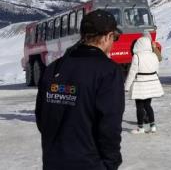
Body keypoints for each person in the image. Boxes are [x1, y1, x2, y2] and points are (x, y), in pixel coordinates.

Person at [35, 9, 125, 170]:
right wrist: (110, 164)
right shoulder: (108, 71)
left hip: (53, 161)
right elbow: (110, 125)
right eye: (114, 38)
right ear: (107, 36)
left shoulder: (53, 67)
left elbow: (42, 117)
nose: (113, 43)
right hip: (89, 163)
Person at [124, 35, 165, 134]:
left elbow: (132, 72)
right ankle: (153, 126)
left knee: (139, 107)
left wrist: (127, 86)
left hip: (140, 84)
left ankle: (141, 128)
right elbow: (156, 70)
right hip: (151, 83)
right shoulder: (154, 55)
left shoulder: (136, 56)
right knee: (148, 106)